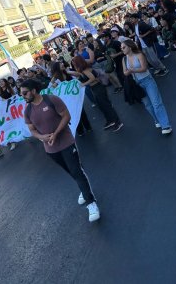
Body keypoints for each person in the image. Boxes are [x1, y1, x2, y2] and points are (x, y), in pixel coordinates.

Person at [21, 79, 100, 222]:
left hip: (66, 142)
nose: (23, 96)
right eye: (21, 94)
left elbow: (66, 116)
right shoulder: (27, 111)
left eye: (25, 93)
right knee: (71, 172)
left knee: (77, 171)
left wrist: (56, 133)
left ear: (33, 90)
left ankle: (91, 203)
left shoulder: (51, 100)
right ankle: (84, 190)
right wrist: (42, 137)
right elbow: (32, 130)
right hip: (51, 150)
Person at [121, 40, 172, 135]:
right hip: (137, 84)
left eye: (123, 47)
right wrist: (128, 72)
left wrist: (132, 70)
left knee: (156, 103)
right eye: (121, 48)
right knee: (148, 105)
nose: (122, 49)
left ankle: (166, 125)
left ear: (130, 47)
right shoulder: (124, 59)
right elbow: (124, 72)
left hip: (147, 80)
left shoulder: (139, 55)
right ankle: (157, 121)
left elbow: (144, 68)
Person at [69, 56, 123, 131]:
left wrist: (84, 84)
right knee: (102, 106)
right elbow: (78, 74)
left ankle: (117, 122)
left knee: (106, 106)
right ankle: (110, 121)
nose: (73, 65)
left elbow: (92, 78)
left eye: (74, 63)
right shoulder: (84, 69)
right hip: (96, 88)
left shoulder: (85, 70)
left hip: (98, 88)